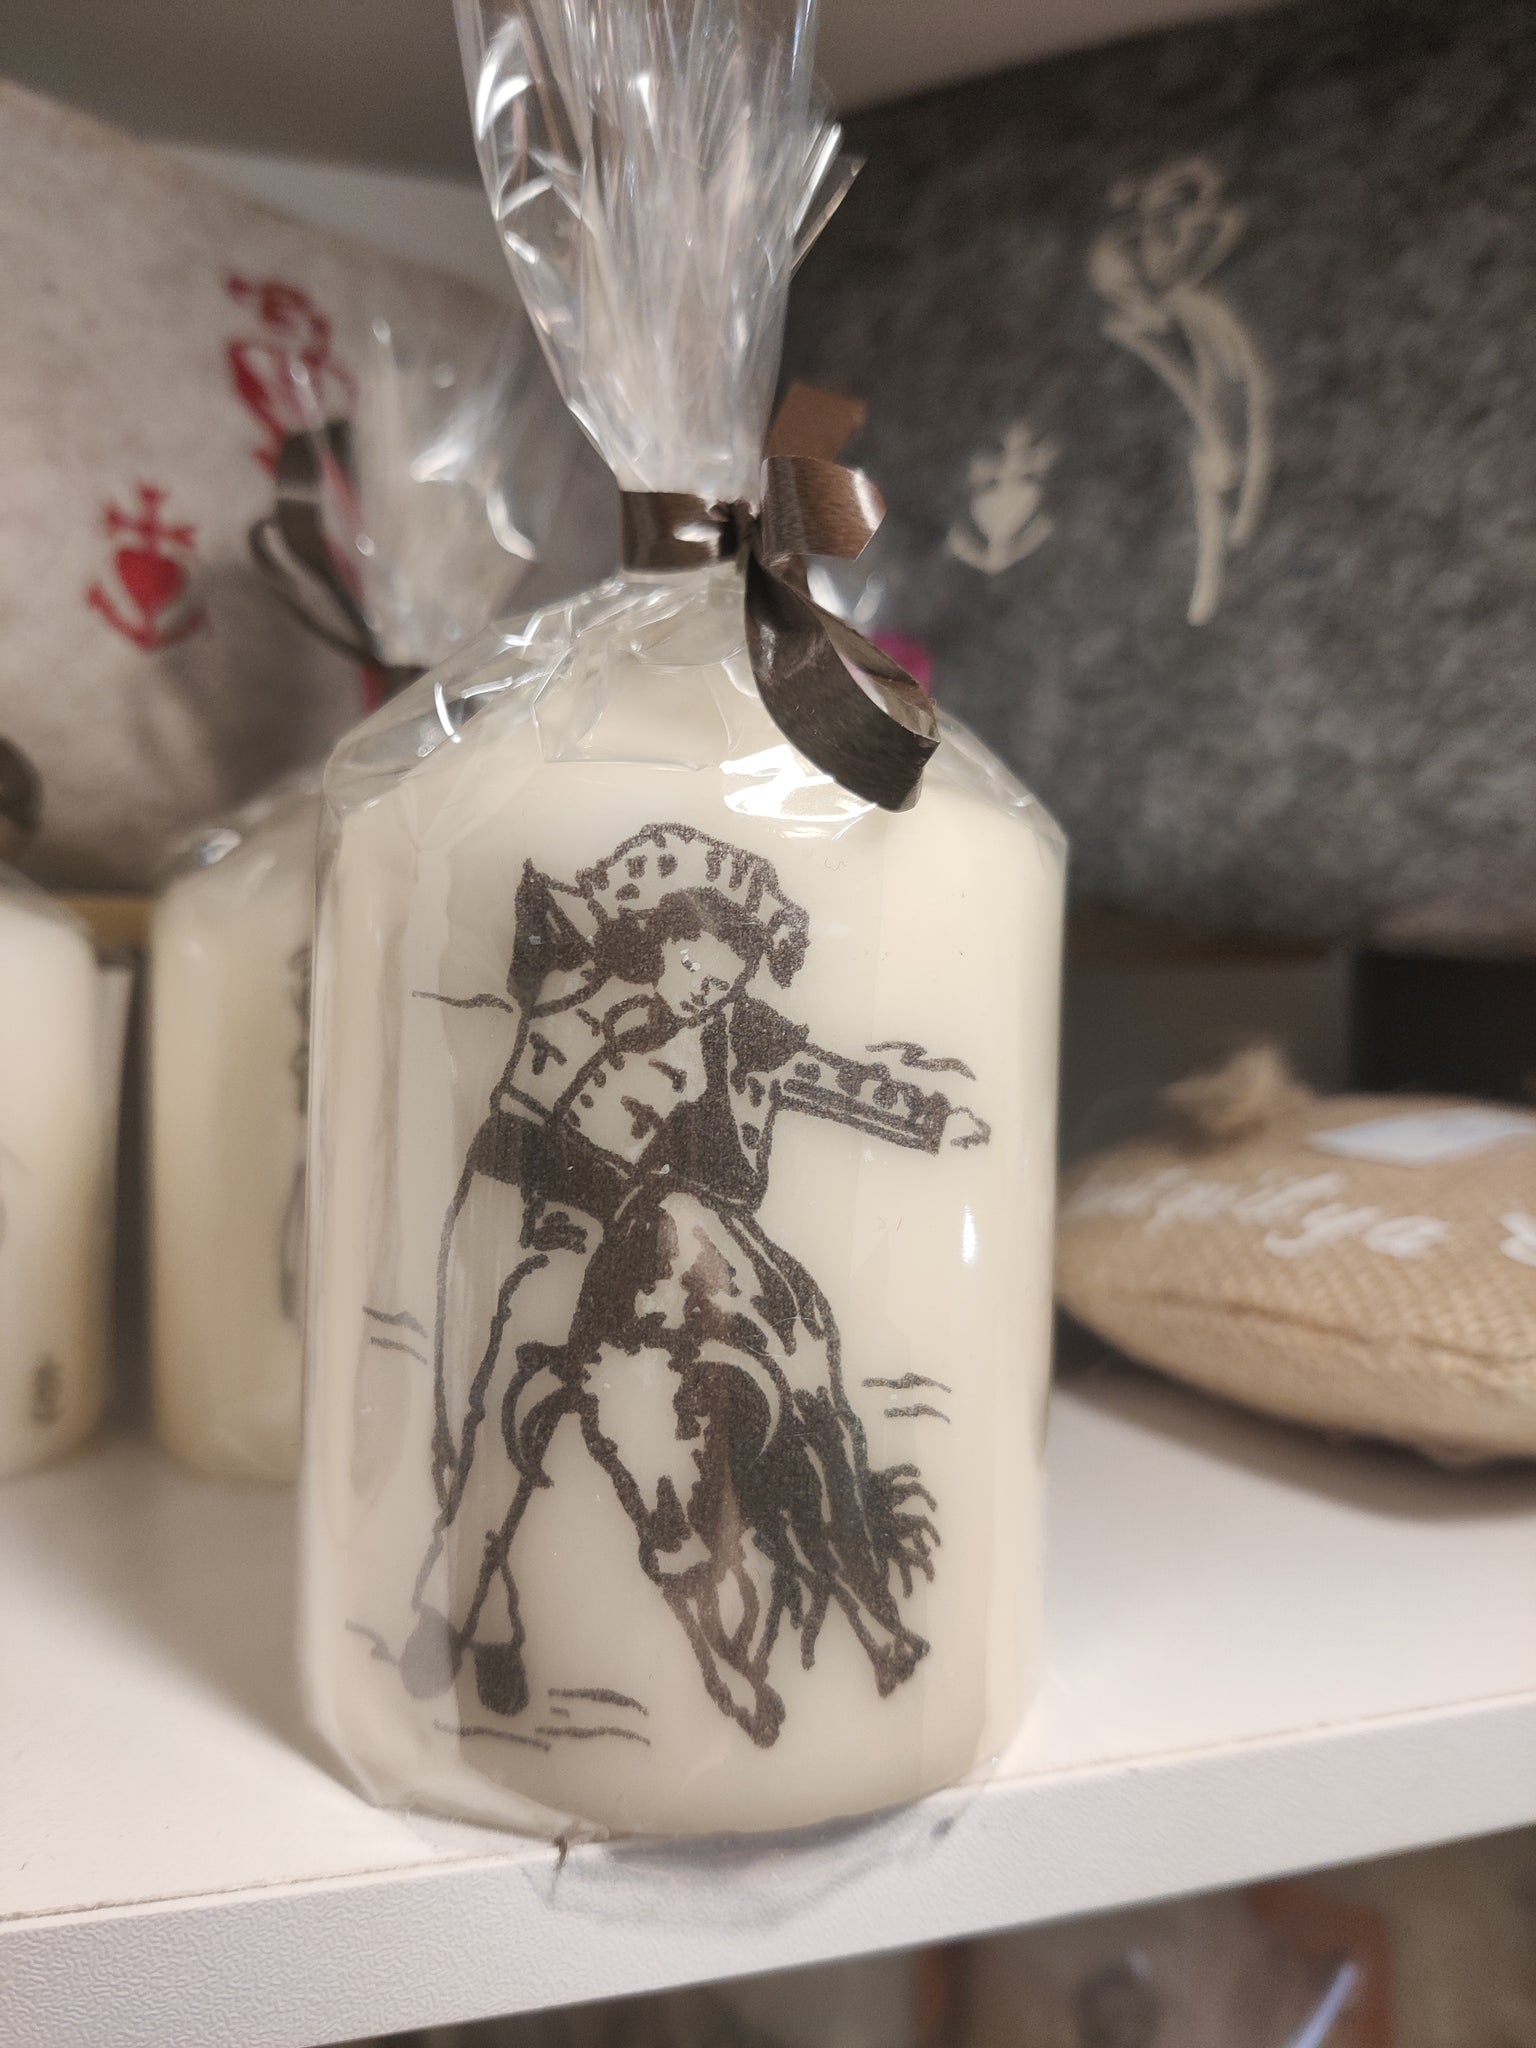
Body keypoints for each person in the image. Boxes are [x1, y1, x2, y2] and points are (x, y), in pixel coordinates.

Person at [399, 821, 987, 1747]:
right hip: (543, 1214)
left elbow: (829, 1076)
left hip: (656, 1230)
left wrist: (931, 1116)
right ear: (655, 946)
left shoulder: (735, 1035)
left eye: (726, 983)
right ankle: (473, 1600)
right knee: (502, 1384)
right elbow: (545, 927)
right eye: (696, 971)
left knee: (778, 1331)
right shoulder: (572, 993)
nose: (709, 993)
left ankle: (826, 1528)